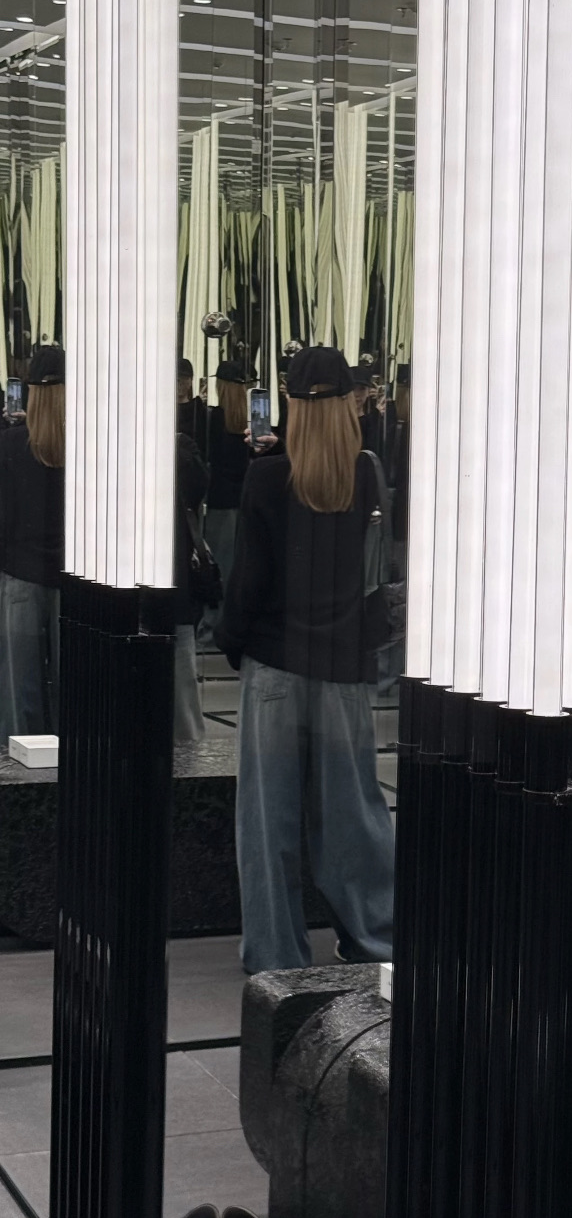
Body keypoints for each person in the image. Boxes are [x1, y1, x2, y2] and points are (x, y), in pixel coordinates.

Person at [217, 346, 396, 974]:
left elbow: (250, 580)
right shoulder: (367, 474)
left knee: (267, 822)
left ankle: (275, 955)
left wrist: (233, 641)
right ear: (350, 403)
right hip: (343, 665)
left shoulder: (267, 477)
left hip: (274, 663)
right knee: (353, 814)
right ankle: (375, 939)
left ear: (290, 406)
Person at [0, 347, 64, 744]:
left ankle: (21, 773)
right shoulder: (90, 446)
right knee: (70, 686)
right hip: (73, 578)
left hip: (20, 574)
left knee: (18, 690)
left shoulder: (10, 444)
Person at [201, 359, 251, 640]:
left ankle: (214, 624)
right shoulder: (247, 421)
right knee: (235, 565)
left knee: (217, 564)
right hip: (242, 500)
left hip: (219, 500)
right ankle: (230, 621)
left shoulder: (214, 418)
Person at [174, 433, 210, 742]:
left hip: (173, 586)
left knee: (183, 686)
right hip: (172, 586)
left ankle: (190, 754)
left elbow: (198, 485)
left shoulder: (182, 449)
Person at [177, 356, 209, 449]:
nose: (180, 383)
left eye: (184, 378)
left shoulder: (199, 412)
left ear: (191, 381)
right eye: (177, 378)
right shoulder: (162, 410)